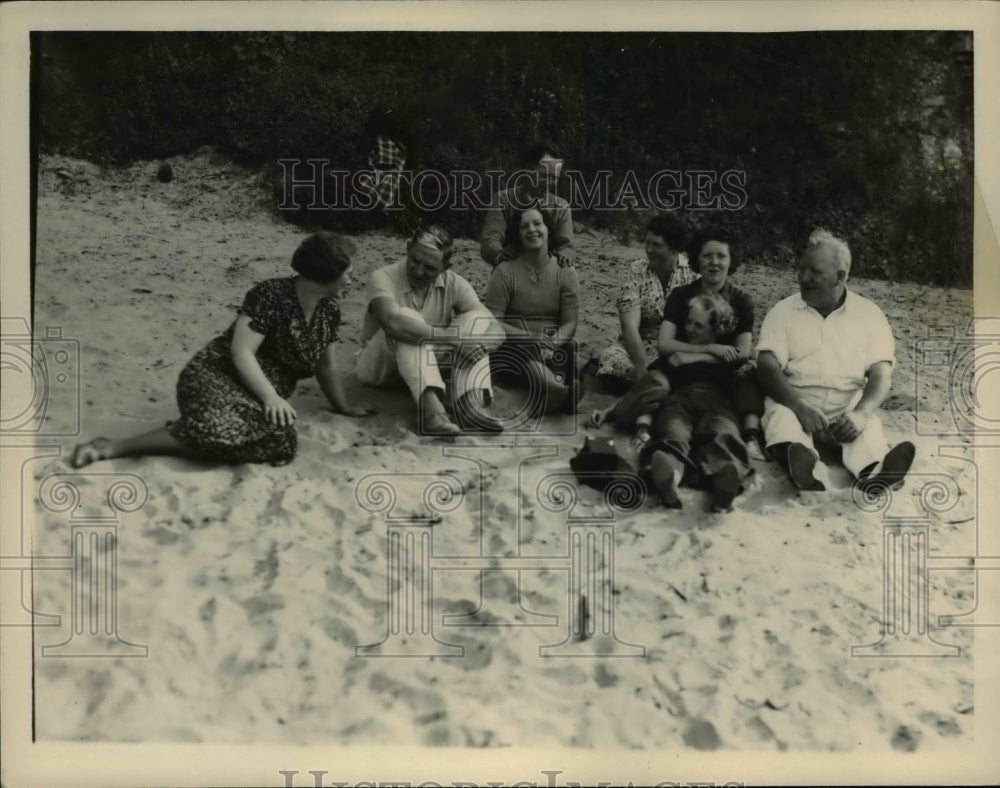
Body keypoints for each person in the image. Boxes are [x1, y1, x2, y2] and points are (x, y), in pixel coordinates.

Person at [71, 232, 371, 468]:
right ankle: (113, 447)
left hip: (257, 396)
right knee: (222, 431)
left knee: (282, 441)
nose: (351, 279)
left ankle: (191, 428)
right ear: (323, 275)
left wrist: (342, 407)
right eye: (347, 273)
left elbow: (326, 366)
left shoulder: (329, 310)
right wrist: (271, 397)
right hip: (219, 375)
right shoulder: (270, 295)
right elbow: (242, 352)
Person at [756, 229, 916, 491]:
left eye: (815, 271)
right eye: (802, 269)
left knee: (867, 432)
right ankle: (806, 469)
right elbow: (767, 365)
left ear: (840, 277)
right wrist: (799, 406)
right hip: (796, 400)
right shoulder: (784, 311)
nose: (804, 278)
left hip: (847, 406)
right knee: (781, 422)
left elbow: (881, 374)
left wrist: (860, 415)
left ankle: (875, 474)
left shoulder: (868, 314)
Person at [592, 226, 765, 459]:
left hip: (722, 379)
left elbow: (742, 352)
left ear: (731, 260)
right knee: (656, 379)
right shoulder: (682, 295)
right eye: (707, 256)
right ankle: (624, 417)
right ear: (696, 259)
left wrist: (695, 355)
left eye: (721, 256)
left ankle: (751, 436)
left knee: (749, 372)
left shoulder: (741, 300)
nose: (714, 263)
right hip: (679, 372)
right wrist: (710, 348)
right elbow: (665, 345)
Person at [356, 225, 505, 436]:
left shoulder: (454, 282)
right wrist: (455, 341)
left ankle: (470, 404)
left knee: (477, 318)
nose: (418, 271)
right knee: (406, 317)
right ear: (408, 248)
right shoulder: (383, 276)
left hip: (427, 363)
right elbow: (392, 323)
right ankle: (432, 413)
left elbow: (497, 329)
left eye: (429, 268)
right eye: (415, 260)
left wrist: (478, 346)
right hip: (379, 366)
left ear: (445, 267)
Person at [639, 293, 752, 512]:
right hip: (678, 401)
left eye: (698, 325)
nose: (689, 329)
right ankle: (669, 477)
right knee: (674, 432)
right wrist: (616, 412)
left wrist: (696, 356)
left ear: (716, 329)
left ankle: (723, 486)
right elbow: (649, 387)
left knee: (724, 433)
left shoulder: (726, 357)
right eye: (688, 322)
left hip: (717, 405)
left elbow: (745, 361)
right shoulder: (673, 357)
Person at [484, 207, 581, 415]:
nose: (532, 230)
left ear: (548, 229)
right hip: (514, 345)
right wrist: (531, 338)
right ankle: (555, 390)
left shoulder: (565, 270)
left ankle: (551, 391)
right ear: (517, 235)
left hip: (552, 346)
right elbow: (492, 321)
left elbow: (570, 323)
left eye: (538, 223)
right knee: (522, 354)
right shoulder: (505, 271)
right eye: (524, 226)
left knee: (569, 349)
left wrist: (552, 343)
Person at [593, 214, 696, 389]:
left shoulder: (692, 274)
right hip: (638, 347)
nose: (649, 249)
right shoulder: (637, 270)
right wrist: (641, 368)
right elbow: (629, 327)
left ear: (674, 248)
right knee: (612, 359)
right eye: (647, 242)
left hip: (676, 347)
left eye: (656, 245)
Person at [479, 141, 575, 268]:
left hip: (547, 274)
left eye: (554, 178)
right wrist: (499, 254)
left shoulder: (560, 206)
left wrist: (565, 256)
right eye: (544, 175)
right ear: (529, 170)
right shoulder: (504, 199)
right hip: (510, 270)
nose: (549, 182)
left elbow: (567, 245)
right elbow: (490, 237)